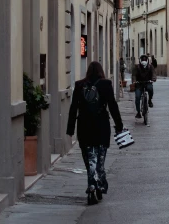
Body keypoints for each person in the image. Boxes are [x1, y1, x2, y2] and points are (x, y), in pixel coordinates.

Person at [66, 61, 123, 205]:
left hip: (84, 127)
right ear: (100, 71)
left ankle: (93, 186)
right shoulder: (106, 84)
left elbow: (73, 108)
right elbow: (112, 105)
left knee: (89, 159)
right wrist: (119, 125)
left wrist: (70, 129)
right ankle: (98, 184)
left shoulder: (79, 85)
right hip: (101, 127)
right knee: (100, 161)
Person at [132, 54, 155, 119]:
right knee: (138, 97)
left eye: (145, 60)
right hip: (139, 84)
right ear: (140, 61)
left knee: (150, 89)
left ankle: (150, 100)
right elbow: (133, 75)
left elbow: (154, 74)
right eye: (142, 60)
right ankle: (138, 112)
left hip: (148, 82)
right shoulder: (136, 67)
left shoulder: (150, 67)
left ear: (147, 61)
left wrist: (153, 79)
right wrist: (134, 81)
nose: (144, 61)